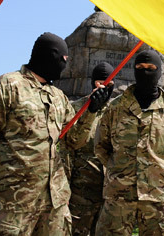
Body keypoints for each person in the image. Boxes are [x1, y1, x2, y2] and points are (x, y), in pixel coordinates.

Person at [0, 32, 109, 236]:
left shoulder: (58, 97)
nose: (65, 65)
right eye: (64, 60)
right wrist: (8, 171)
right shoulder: (7, 86)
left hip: (53, 203)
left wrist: (91, 111)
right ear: (50, 56)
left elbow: (75, 140)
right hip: (13, 202)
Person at [94, 50, 164, 236]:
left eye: (150, 68)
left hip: (158, 199)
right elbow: (101, 147)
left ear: (158, 71)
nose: (145, 72)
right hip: (119, 198)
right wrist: (120, 171)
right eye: (140, 68)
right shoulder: (115, 108)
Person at [69, 62, 115, 236]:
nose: (103, 87)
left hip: (109, 191)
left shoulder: (118, 111)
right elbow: (72, 143)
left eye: (109, 84)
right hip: (81, 191)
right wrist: (91, 111)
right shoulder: (76, 108)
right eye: (99, 82)